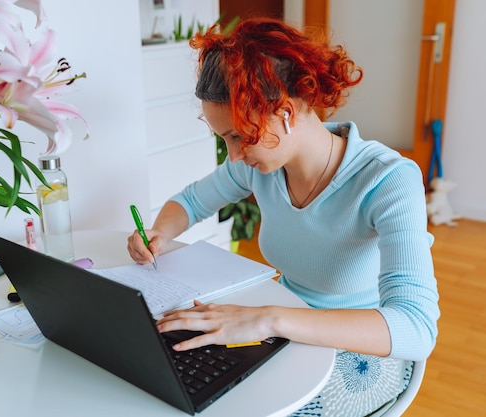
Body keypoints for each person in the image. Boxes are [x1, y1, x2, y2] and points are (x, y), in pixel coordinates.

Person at [127, 17, 439, 417]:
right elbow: (189, 202)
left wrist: (269, 319)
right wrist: (159, 233)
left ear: (286, 112)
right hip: (282, 329)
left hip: (363, 354)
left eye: (238, 136)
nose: (234, 154)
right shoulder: (260, 165)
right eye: (225, 139)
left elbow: (415, 327)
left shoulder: (388, 181)